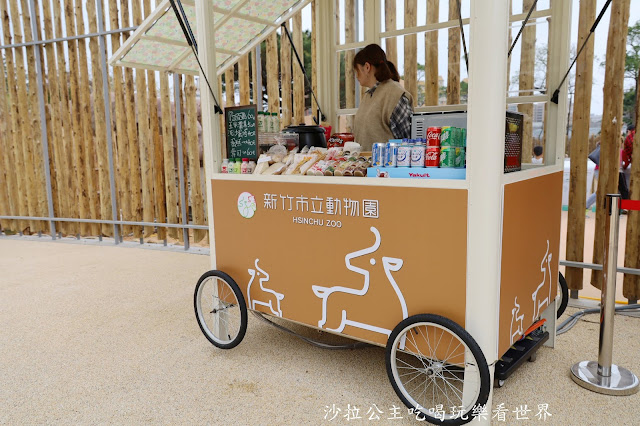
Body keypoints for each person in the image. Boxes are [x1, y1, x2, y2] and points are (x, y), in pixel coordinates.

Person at [352, 44, 414, 151]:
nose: (356, 75)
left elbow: (408, 143)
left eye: (357, 70)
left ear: (367, 67)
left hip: (386, 167)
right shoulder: (368, 96)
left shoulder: (395, 95)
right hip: (365, 166)